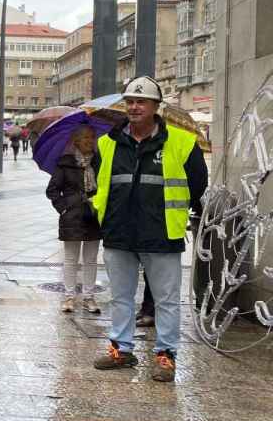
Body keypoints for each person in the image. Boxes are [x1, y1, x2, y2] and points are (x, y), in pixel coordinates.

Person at [91, 76, 208, 383]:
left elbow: (198, 184)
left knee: (167, 299)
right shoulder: (107, 144)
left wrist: (187, 215)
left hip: (162, 232)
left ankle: (166, 356)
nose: (134, 106)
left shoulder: (182, 143)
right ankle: (121, 350)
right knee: (121, 296)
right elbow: (99, 184)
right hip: (119, 232)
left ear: (157, 107)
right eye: (129, 101)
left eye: (141, 101)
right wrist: (99, 214)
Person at [46, 126, 102, 314]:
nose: (89, 140)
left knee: (91, 259)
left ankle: (89, 297)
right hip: (72, 215)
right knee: (70, 259)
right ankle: (69, 297)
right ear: (76, 141)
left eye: (92, 137)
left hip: (93, 215)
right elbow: (52, 190)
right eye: (85, 137)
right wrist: (64, 207)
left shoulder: (100, 162)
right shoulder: (65, 163)